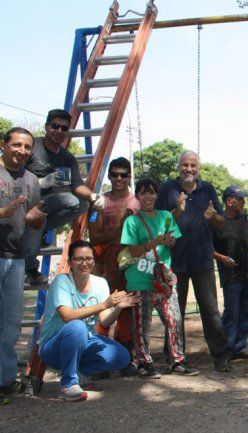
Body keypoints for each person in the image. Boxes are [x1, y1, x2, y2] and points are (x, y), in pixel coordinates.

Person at [156, 150, 231, 371]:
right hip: (174, 260)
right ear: (178, 166)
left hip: (202, 259)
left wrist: (213, 216)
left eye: (193, 166)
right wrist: (177, 212)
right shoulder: (167, 189)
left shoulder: (207, 188)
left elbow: (221, 222)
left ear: (198, 168)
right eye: (185, 165)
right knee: (174, 312)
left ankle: (220, 355)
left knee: (211, 311)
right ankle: (174, 356)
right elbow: (158, 224)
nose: (189, 169)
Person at [38, 240, 140, 401]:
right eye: (79, 259)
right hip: (53, 347)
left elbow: (105, 322)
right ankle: (68, 384)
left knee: (122, 357)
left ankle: (80, 374)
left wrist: (119, 307)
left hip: (85, 342)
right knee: (77, 327)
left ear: (93, 260)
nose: (84, 263)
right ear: (70, 261)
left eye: (88, 259)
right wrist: (105, 303)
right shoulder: (61, 281)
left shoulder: (100, 283)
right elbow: (67, 316)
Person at [121, 178, 198, 378]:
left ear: (157, 195)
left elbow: (172, 241)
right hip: (139, 280)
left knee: (174, 320)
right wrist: (154, 242)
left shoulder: (166, 216)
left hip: (162, 281)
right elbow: (132, 249)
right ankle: (144, 363)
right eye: (144, 192)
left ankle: (177, 361)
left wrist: (169, 241)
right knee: (142, 325)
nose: (148, 197)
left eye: (152, 192)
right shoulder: (132, 221)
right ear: (137, 196)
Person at [23, 109, 105, 285]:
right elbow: (11, 172)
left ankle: (42, 226)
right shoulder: (31, 147)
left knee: (79, 204)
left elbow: (77, 185)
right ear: (46, 127)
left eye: (64, 128)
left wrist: (93, 195)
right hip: (21, 202)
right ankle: (30, 268)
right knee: (64, 201)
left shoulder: (66, 158)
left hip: (45, 206)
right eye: (55, 126)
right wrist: (38, 182)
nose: (59, 131)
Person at [0, 128, 45, 401]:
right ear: (3, 145)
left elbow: (33, 217)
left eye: (27, 147)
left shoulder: (31, 179)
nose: (22, 151)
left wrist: (37, 219)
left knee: (11, 324)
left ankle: (5, 381)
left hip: (15, 259)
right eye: (17, 145)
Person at [89, 157, 140, 348]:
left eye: (123, 175)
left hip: (131, 265)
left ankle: (126, 353)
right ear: (109, 176)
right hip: (105, 266)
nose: (119, 178)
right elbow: (95, 236)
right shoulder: (100, 202)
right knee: (103, 306)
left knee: (128, 307)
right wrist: (120, 229)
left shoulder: (138, 202)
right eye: (115, 175)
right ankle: (98, 351)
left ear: (129, 176)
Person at [213, 185, 248, 359]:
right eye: (239, 199)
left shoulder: (245, 219)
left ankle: (240, 347)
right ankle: (228, 348)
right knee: (232, 312)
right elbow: (208, 248)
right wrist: (223, 258)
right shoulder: (218, 221)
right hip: (231, 274)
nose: (243, 202)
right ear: (229, 201)